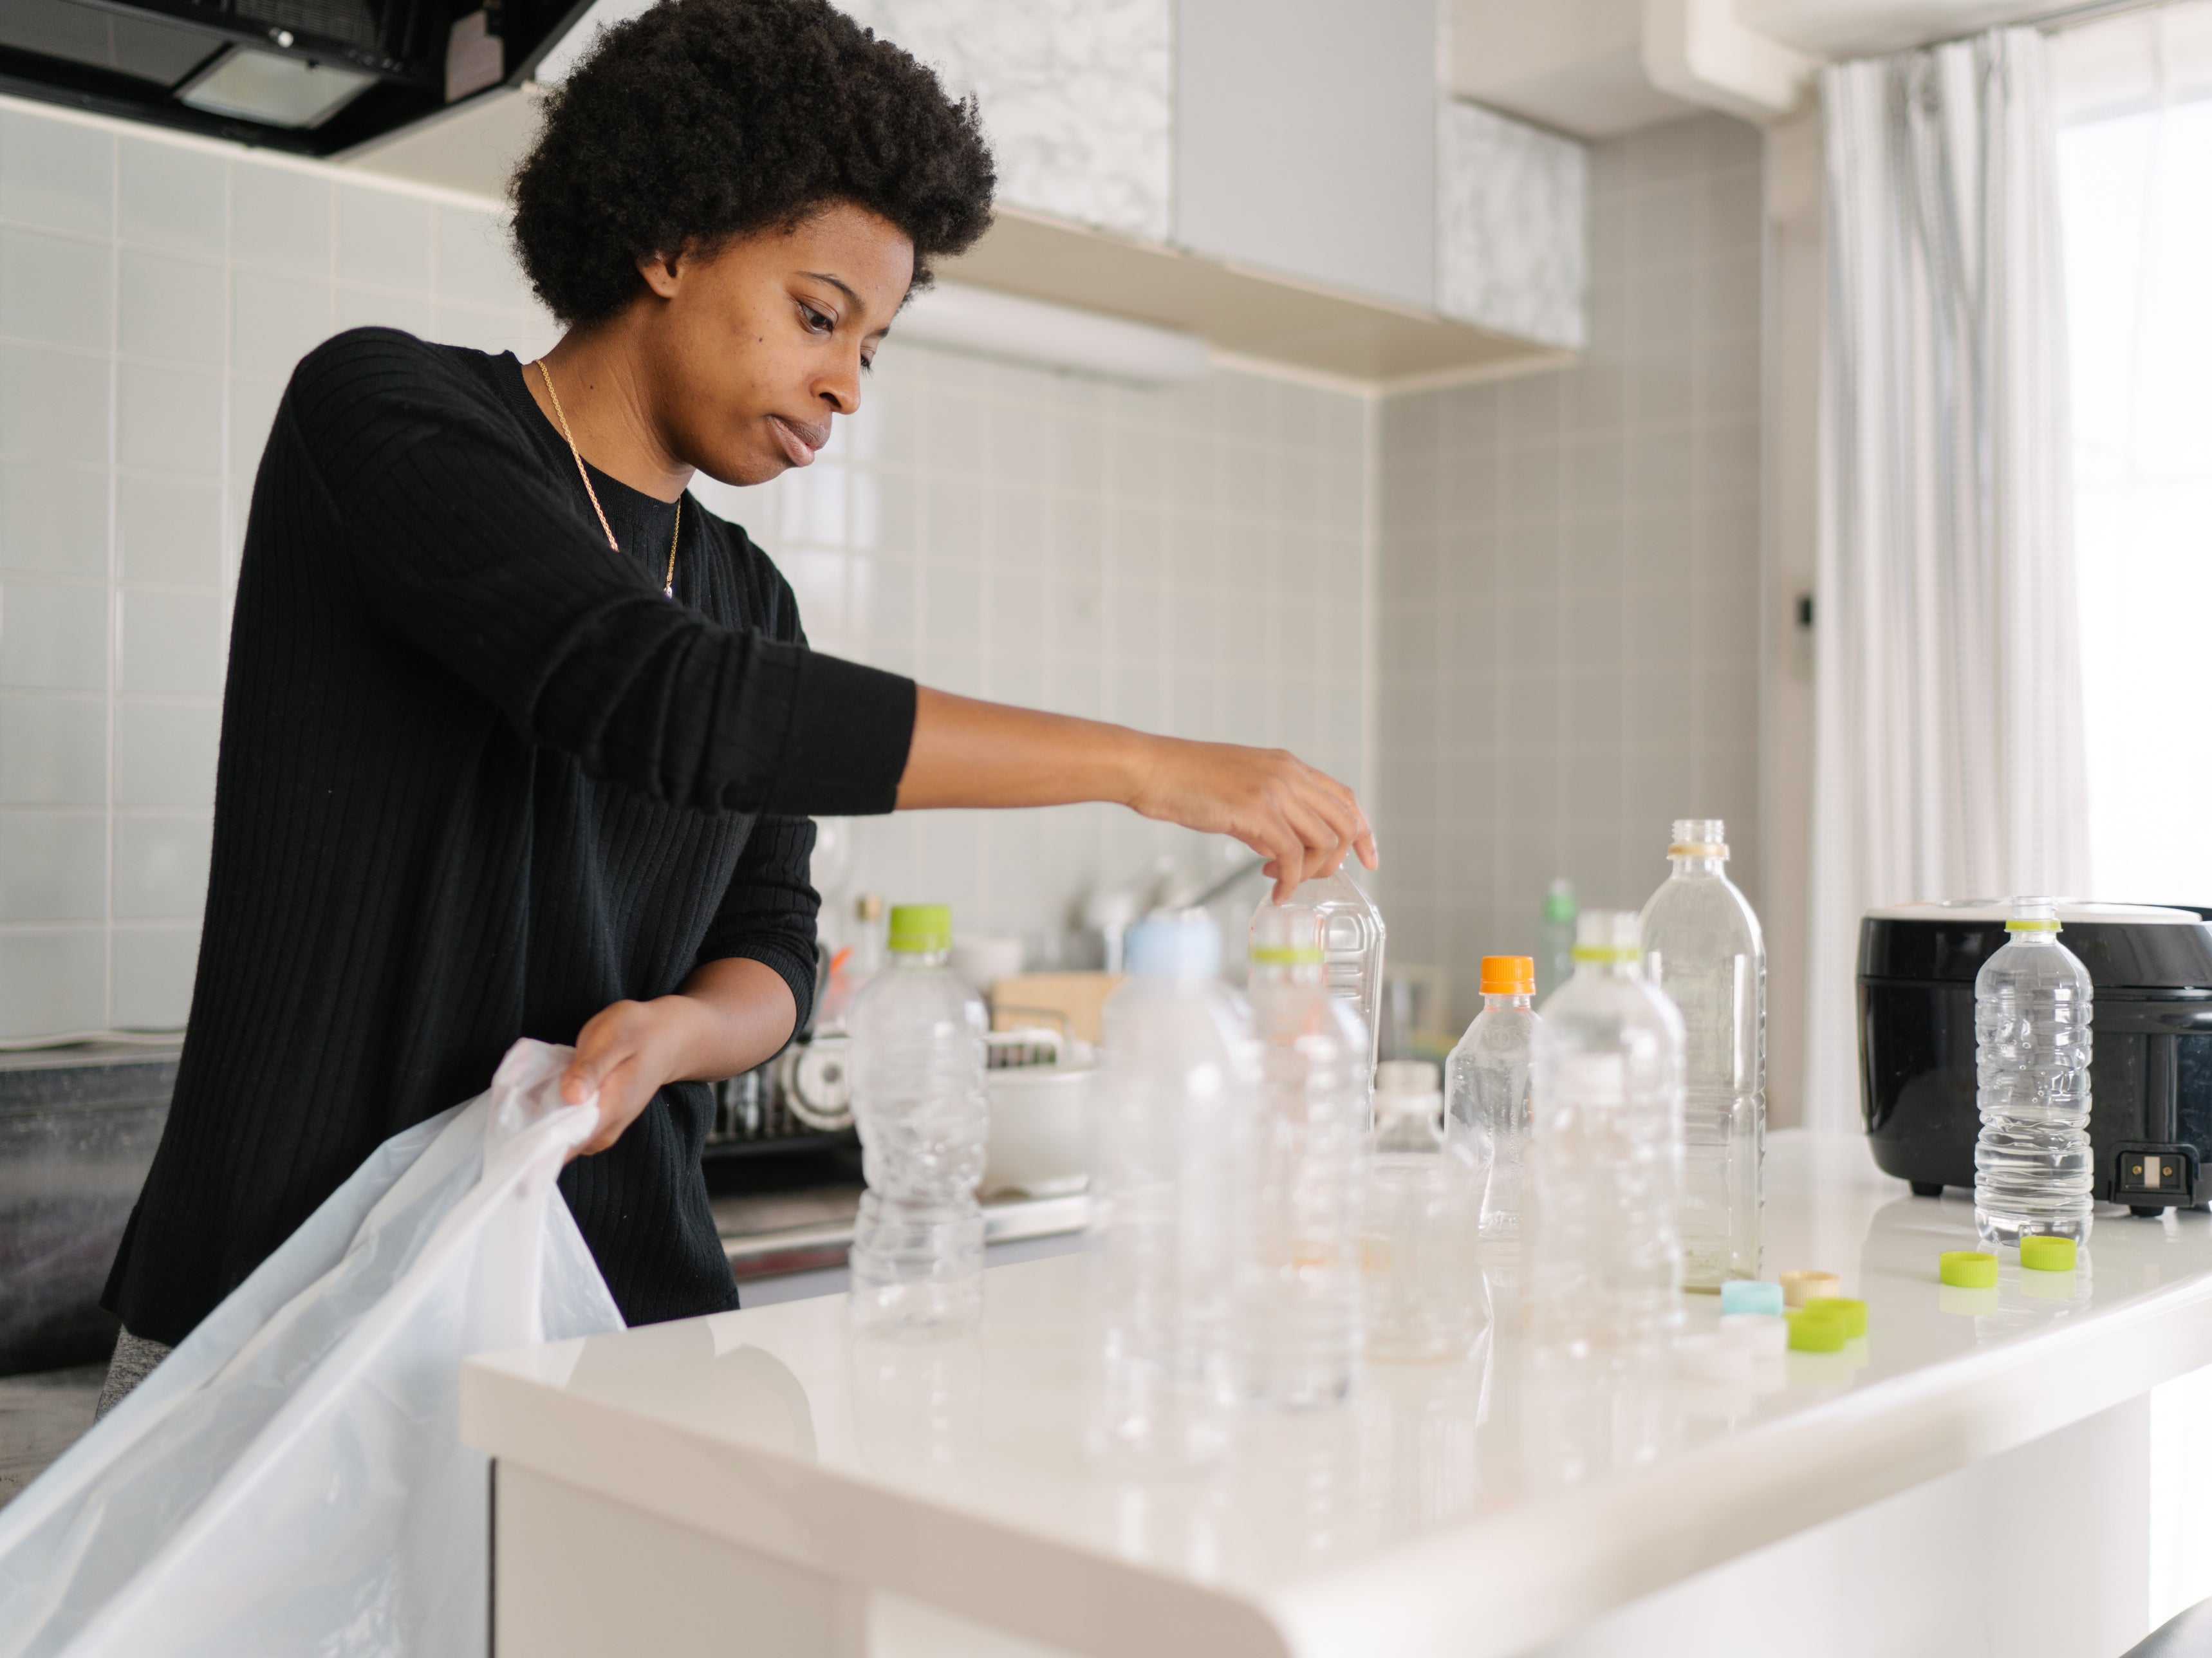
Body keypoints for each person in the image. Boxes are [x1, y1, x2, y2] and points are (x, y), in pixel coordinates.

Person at [95, 0, 1374, 1411]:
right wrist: (1143, 764)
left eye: (870, 347)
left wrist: (678, 1034)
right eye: (819, 316)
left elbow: (769, 939)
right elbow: (656, 696)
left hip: (606, 1334)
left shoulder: (749, 596)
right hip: (290, 1332)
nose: (844, 383)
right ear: (670, 240)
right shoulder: (384, 416)